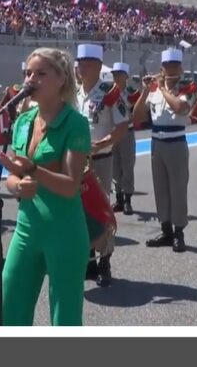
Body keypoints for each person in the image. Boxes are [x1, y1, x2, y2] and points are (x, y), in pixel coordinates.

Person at [0, 47, 91, 326]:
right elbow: (12, 176)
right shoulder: (23, 122)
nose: (30, 80)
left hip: (64, 232)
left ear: (61, 78)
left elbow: (71, 186)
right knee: (9, 304)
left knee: (65, 318)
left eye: (40, 73)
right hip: (27, 229)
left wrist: (33, 171)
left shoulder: (76, 124)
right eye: (27, 73)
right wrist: (16, 185)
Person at [75, 44, 129, 287]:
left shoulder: (110, 92)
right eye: (79, 63)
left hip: (100, 161)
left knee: (100, 210)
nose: (80, 67)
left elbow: (121, 128)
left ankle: (104, 260)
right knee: (79, 211)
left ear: (97, 66)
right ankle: (87, 261)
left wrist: (99, 145)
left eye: (86, 63)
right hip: (76, 162)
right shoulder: (73, 93)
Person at [132, 48, 196, 253]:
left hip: (176, 142)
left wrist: (163, 88)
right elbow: (137, 117)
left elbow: (180, 108)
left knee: (177, 189)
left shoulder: (187, 87)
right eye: (166, 66)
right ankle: (166, 229)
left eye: (173, 66)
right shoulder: (154, 91)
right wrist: (145, 91)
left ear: (180, 68)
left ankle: (179, 233)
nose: (169, 69)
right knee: (160, 188)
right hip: (157, 142)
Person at [109, 62, 136, 216]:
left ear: (126, 76)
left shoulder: (132, 93)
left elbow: (139, 111)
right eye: (114, 74)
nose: (116, 77)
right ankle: (118, 198)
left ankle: (127, 199)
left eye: (119, 74)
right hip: (112, 132)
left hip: (127, 132)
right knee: (114, 167)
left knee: (127, 166)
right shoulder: (109, 92)